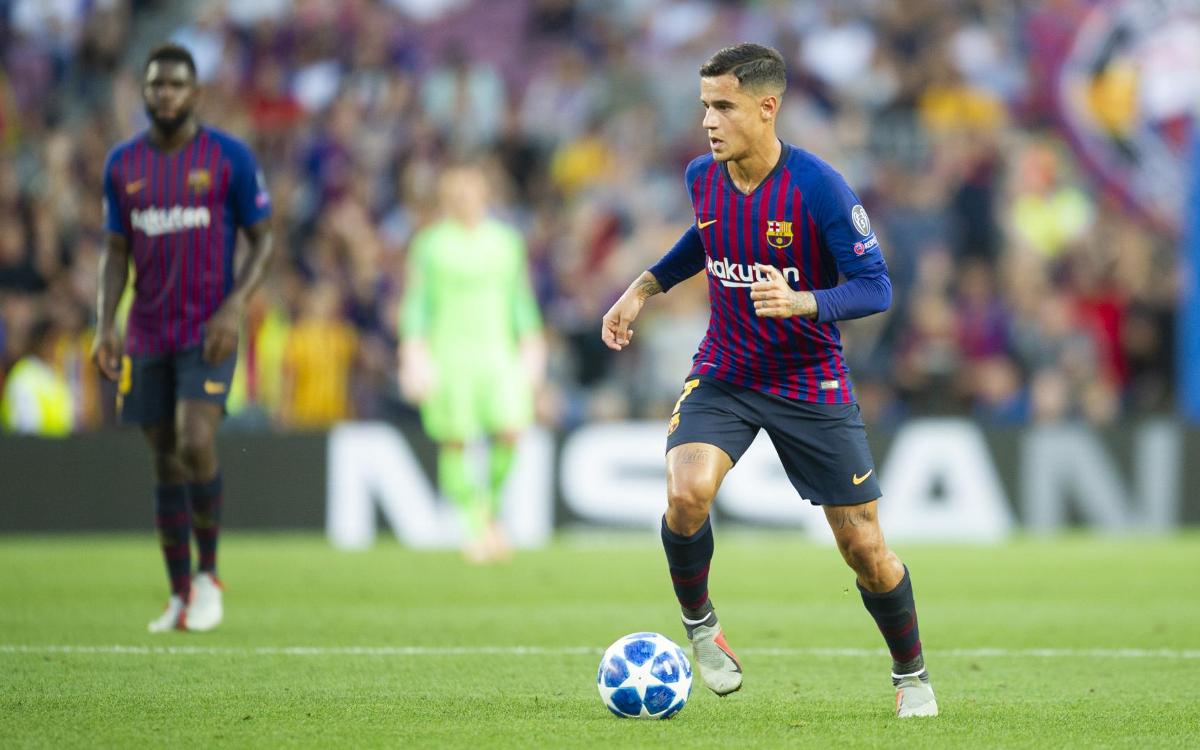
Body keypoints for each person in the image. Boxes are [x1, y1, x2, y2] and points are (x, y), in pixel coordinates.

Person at [601, 43, 937, 718]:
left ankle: (912, 675)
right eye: (704, 106)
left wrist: (803, 300)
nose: (708, 121)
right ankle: (701, 627)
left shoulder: (819, 188)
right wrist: (643, 288)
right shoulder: (703, 176)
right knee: (686, 494)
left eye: (723, 106)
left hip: (810, 381)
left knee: (865, 549)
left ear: (766, 107)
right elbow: (705, 239)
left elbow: (876, 286)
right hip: (725, 372)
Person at [91, 44, 274, 633]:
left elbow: (264, 239)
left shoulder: (229, 158)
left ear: (195, 93)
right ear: (144, 92)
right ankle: (177, 595)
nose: (166, 94)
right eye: (156, 85)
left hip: (207, 330)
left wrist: (234, 307)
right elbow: (115, 251)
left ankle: (209, 576)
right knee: (165, 459)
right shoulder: (122, 165)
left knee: (196, 441)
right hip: (147, 332)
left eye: (176, 85)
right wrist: (105, 324)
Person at [399, 163, 544, 564]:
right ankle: (474, 527)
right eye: (456, 193)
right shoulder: (430, 244)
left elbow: (520, 299)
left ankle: (488, 510)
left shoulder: (506, 242)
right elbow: (417, 303)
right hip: (449, 355)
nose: (464, 199)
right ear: (446, 199)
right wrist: (412, 354)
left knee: (511, 431)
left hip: (498, 353)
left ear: (484, 195)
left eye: (471, 191)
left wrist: (533, 347)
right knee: (456, 440)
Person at [1, 318, 74, 437]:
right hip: (32, 446)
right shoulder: (24, 375)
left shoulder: (55, 374)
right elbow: (25, 426)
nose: (59, 348)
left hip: (58, 446)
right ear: (42, 342)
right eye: (55, 342)